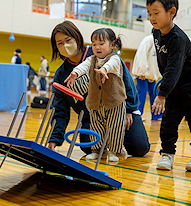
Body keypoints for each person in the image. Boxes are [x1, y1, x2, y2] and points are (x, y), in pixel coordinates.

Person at [47, 20, 150, 157]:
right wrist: (54, 139)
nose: (65, 45)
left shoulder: (100, 52)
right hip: (92, 117)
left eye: (68, 40)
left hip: (119, 110)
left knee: (140, 148)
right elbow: (60, 110)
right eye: (60, 43)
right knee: (88, 148)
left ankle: (115, 142)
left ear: (77, 38)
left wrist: (129, 110)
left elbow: (127, 81)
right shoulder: (61, 75)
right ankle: (107, 141)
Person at [147, 0, 191, 171]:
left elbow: (174, 68)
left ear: (171, 12)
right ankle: (167, 154)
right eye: (149, 13)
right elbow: (163, 63)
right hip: (175, 88)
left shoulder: (178, 38)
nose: (152, 17)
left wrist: (162, 93)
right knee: (168, 122)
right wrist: (168, 87)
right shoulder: (156, 32)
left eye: (156, 13)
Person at [65, 28, 126, 162]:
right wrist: (75, 73)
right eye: (94, 44)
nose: (97, 47)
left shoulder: (115, 58)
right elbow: (83, 66)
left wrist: (104, 69)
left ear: (112, 45)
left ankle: (113, 150)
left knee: (114, 126)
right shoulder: (91, 59)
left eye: (101, 43)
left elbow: (111, 65)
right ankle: (96, 150)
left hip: (114, 102)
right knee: (96, 125)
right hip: (95, 102)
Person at [132, 34, 162, 120]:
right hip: (143, 74)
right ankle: (138, 114)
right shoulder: (148, 40)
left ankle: (157, 115)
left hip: (151, 75)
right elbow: (142, 55)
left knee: (155, 94)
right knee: (142, 93)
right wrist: (142, 71)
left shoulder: (159, 42)